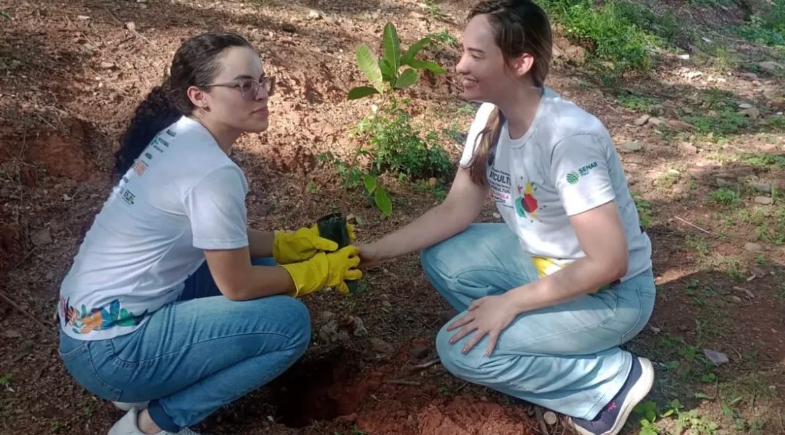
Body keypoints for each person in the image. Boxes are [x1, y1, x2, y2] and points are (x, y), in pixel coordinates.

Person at [358, 1, 655, 434]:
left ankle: (608, 381)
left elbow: (609, 262)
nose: (460, 65)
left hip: (611, 297)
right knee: (444, 255)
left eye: (476, 56)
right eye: (463, 52)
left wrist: (510, 303)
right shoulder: (490, 116)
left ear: (521, 62)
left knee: (461, 351)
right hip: (545, 267)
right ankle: (538, 340)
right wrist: (374, 252)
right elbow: (456, 209)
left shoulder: (568, 137)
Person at [56, 32, 362, 435]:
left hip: (86, 329)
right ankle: (153, 424)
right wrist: (316, 272)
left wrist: (290, 244)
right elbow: (237, 285)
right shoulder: (212, 171)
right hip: (112, 352)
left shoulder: (179, 138)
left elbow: (218, 236)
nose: (261, 94)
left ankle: (146, 380)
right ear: (200, 96)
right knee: (289, 324)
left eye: (262, 80)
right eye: (243, 85)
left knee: (266, 265)